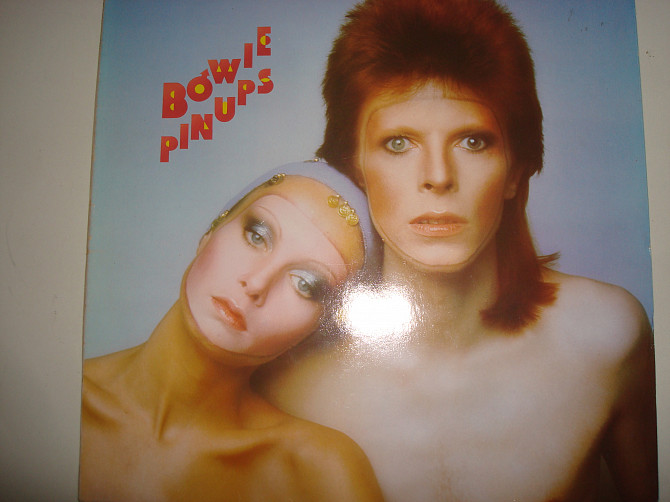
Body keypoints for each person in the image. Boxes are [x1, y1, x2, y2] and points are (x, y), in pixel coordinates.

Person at [255, 1, 658, 501]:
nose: (439, 177)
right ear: (354, 171)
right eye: (398, 144)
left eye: (472, 141)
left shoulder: (608, 336)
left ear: (515, 170)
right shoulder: (282, 382)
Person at [78, 160, 384, 502]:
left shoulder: (318, 473)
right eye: (256, 236)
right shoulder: (59, 399)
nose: (256, 283)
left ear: (315, 330)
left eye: (305, 284)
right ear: (212, 230)